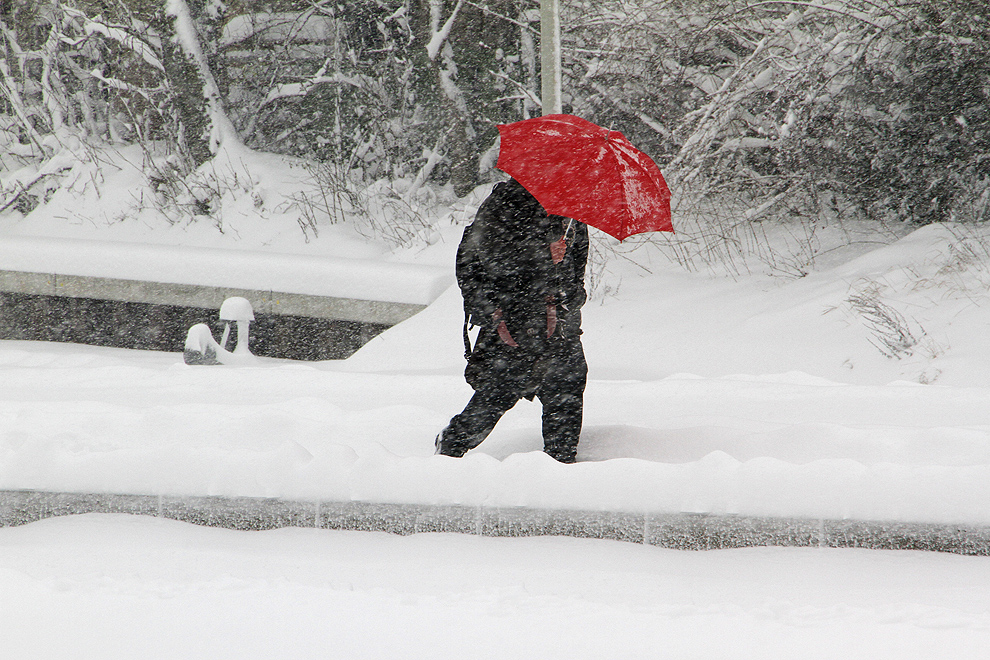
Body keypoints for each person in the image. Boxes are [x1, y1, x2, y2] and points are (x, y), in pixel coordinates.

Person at [436, 177, 589, 463]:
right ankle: (451, 447)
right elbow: (489, 257)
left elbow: (577, 263)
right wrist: (543, 255)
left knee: (567, 388)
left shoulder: (571, 205)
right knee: (498, 393)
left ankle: (561, 466)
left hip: (560, 324)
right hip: (516, 322)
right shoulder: (506, 201)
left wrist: (572, 298)